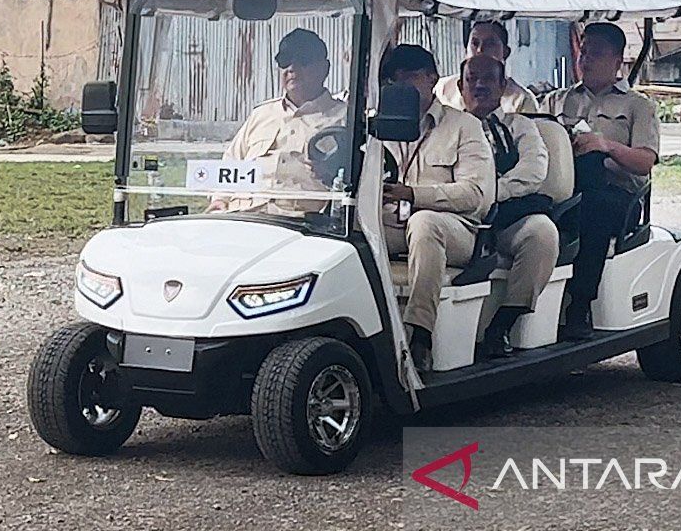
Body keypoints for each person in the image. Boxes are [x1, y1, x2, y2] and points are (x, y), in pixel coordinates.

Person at [542, 22, 660, 340]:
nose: (586, 58)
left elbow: (645, 162)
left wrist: (606, 145)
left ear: (618, 59)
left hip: (618, 196)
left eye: (596, 52)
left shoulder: (638, 106)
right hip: (565, 188)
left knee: (592, 210)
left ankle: (580, 305)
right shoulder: (556, 102)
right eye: (585, 50)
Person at [380, 45, 495, 370]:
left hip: (455, 230)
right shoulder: (379, 127)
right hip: (391, 226)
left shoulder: (464, 126)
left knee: (425, 223)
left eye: (411, 78)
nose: (402, 87)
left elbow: (475, 195)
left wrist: (412, 194)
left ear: (432, 79)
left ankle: (419, 335)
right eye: (395, 81)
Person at [457, 54, 558, 358]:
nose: (478, 86)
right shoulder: (449, 126)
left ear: (502, 85)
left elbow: (532, 173)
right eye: (471, 79)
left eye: (487, 79)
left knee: (542, 233)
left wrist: (483, 193)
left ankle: (502, 324)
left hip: (503, 220)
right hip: (459, 219)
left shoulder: (519, 126)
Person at [208, 29, 346, 214]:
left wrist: (331, 173)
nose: (291, 68)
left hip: (304, 226)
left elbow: (361, 183)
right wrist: (220, 199)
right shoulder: (261, 114)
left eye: (303, 60)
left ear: (324, 68)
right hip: (242, 217)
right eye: (285, 61)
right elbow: (231, 163)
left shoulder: (346, 119)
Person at [436, 20, 538, 113]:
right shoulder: (442, 89)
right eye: (475, 44)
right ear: (466, 50)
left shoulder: (521, 100)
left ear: (506, 52)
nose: (480, 50)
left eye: (490, 44)